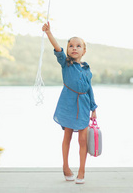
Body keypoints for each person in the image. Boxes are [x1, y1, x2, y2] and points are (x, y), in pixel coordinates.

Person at [42, 22, 97, 185]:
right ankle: (65, 167)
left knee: (82, 139)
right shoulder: (65, 64)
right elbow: (57, 49)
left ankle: (82, 170)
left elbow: (89, 89)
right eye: (71, 46)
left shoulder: (87, 69)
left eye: (78, 46)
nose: (74, 48)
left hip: (84, 105)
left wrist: (93, 107)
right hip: (68, 104)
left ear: (84, 50)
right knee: (67, 136)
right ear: (68, 50)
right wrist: (49, 33)